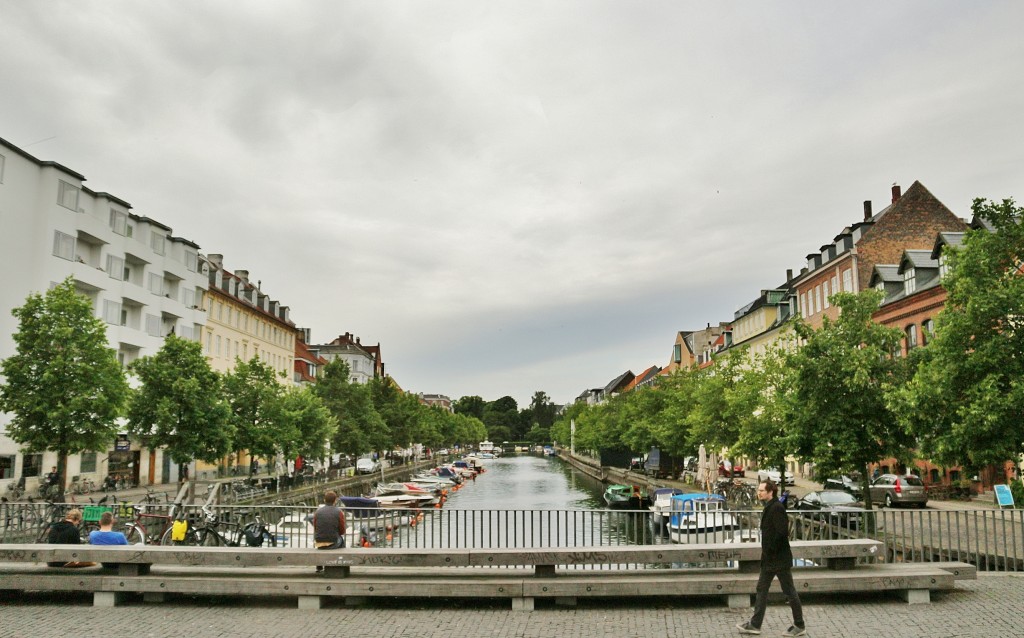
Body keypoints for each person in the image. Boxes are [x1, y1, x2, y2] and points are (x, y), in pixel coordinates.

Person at [737, 480, 806, 636]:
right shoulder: (770, 507)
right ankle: (755, 625)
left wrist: (770, 549)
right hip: (770, 559)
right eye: (759, 490)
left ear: (770, 492)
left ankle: (800, 625)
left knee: (789, 592)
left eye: (762, 490)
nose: (759, 492)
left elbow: (782, 533)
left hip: (778, 559)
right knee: (762, 589)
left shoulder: (776, 508)